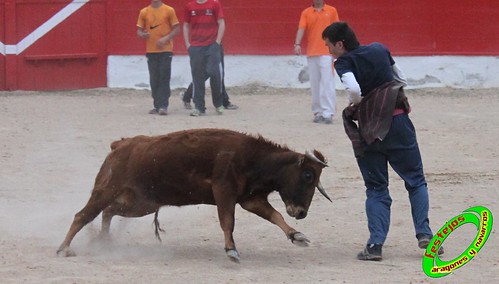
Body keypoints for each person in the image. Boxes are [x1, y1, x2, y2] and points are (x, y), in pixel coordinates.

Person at [322, 21, 443, 261]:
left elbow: (354, 90)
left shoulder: (344, 62)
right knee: (416, 181)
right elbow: (402, 79)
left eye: (329, 47)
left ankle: (375, 245)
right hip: (398, 123)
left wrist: (360, 103)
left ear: (340, 44)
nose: (329, 52)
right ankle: (425, 234)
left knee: (376, 188)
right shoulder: (380, 49)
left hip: (370, 129)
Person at [294, 0, 339, 124]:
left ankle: (328, 112)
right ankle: (318, 112)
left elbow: (337, 30)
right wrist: (297, 44)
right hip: (312, 52)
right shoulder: (306, 12)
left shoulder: (331, 11)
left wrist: (337, 48)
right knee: (315, 84)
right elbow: (301, 28)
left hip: (327, 52)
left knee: (327, 82)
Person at [137, 0, 180, 115]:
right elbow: (139, 31)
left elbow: (176, 29)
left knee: (164, 77)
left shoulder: (169, 10)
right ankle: (157, 105)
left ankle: (163, 105)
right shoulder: (144, 12)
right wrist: (142, 35)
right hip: (151, 50)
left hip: (166, 49)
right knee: (154, 78)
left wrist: (165, 39)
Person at [183, 0, 225, 116]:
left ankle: (218, 103)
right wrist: (188, 44)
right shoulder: (189, 6)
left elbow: (221, 22)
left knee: (214, 73)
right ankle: (199, 107)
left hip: (212, 45)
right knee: (197, 76)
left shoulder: (214, 4)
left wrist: (217, 42)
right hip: (196, 46)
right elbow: (186, 25)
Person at [181, 44, 238, 110]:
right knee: (209, 73)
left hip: (214, 45)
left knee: (217, 73)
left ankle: (187, 96)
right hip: (206, 45)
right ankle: (187, 96)